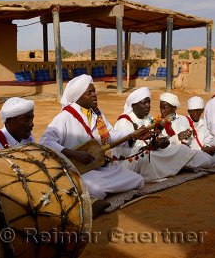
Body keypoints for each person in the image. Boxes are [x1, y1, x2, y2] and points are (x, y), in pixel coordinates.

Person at [40, 74, 144, 218]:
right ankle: (91, 199)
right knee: (97, 189)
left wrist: (133, 136)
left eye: (94, 91)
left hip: (100, 166)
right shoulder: (65, 117)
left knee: (137, 180)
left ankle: (92, 198)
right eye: (90, 93)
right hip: (80, 170)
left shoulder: (97, 113)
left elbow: (111, 135)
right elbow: (45, 141)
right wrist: (74, 154)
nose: (95, 95)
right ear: (78, 96)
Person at [113, 88, 210, 182]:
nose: (148, 106)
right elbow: (124, 151)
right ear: (133, 105)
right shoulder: (124, 122)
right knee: (146, 157)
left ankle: (176, 166)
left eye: (149, 102)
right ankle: (177, 166)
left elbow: (153, 142)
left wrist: (159, 143)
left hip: (152, 153)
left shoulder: (149, 119)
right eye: (144, 103)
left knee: (182, 149)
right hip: (129, 160)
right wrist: (150, 146)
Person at [158, 92, 212, 168]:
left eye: (165, 108)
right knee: (207, 160)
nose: (162, 111)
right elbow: (162, 144)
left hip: (187, 151)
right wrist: (178, 138)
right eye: (161, 108)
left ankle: (184, 166)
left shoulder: (183, 119)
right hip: (171, 153)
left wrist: (185, 137)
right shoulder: (157, 124)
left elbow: (188, 140)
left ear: (174, 108)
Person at [185, 96, 215, 166]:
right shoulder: (184, 121)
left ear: (202, 110)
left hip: (203, 153)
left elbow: (207, 139)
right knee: (206, 159)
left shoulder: (204, 123)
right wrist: (202, 150)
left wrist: (208, 147)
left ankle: (199, 164)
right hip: (191, 153)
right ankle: (200, 164)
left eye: (198, 110)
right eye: (192, 111)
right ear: (188, 111)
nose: (195, 113)